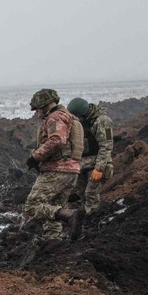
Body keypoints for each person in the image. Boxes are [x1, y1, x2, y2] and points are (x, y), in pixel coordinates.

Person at [23, 88, 85, 246]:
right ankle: (51, 242)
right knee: (54, 208)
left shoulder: (55, 117)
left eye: (38, 109)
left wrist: (35, 157)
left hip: (57, 170)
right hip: (71, 170)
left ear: (44, 105)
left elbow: (57, 139)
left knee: (32, 206)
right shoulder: (68, 116)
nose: (37, 114)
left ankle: (70, 215)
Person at [66, 97, 114, 217]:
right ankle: (82, 214)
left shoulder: (103, 121)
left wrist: (99, 168)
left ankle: (92, 217)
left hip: (100, 161)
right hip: (84, 162)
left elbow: (107, 146)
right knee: (78, 191)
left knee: (90, 193)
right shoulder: (82, 121)